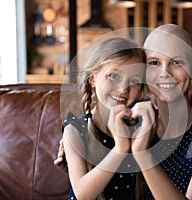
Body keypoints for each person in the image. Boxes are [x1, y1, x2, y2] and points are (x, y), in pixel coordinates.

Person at [56, 24, 192, 200]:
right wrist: (77, 151)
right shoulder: (134, 123)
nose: (165, 72)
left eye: (177, 62)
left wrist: (142, 154)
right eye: (154, 63)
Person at [60, 36, 155, 200]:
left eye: (134, 81)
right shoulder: (75, 131)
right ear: (93, 79)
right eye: (114, 76)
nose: (123, 89)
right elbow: (82, 195)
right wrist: (120, 148)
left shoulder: (142, 128)